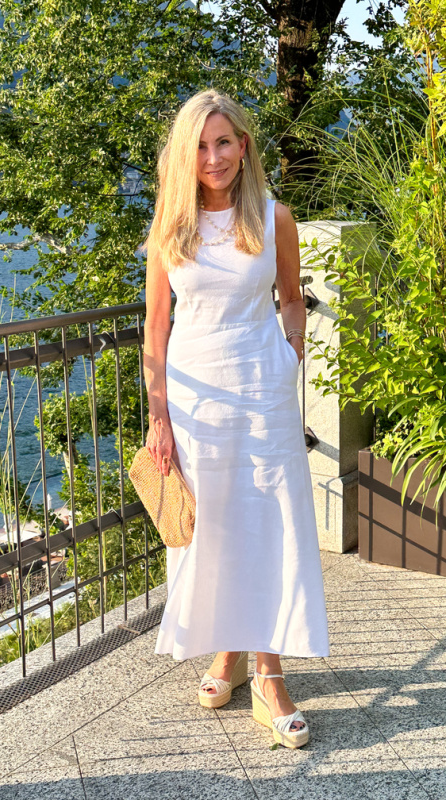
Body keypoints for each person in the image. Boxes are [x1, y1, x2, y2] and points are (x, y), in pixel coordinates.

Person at [141, 88, 330, 749]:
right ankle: (225, 655)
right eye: (200, 144)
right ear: (185, 154)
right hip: (195, 401)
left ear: (243, 145)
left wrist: (289, 359)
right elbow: (155, 329)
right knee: (214, 528)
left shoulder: (273, 216)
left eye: (224, 142)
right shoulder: (170, 227)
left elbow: (291, 300)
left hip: (262, 389)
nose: (213, 156)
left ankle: (269, 672)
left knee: (271, 524)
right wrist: (158, 418)